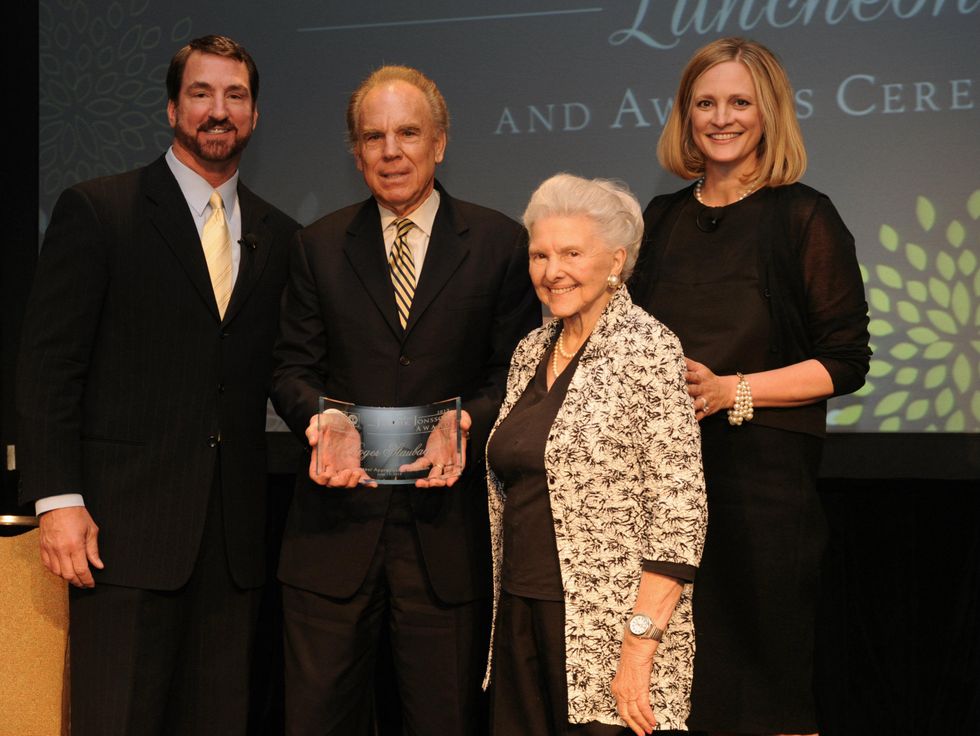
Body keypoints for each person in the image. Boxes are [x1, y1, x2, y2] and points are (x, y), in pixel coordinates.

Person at [16, 35, 300, 735]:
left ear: (255, 116)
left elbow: (285, 368)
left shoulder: (282, 234)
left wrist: (334, 421)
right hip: (120, 539)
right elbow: (50, 366)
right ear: (173, 108)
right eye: (201, 93)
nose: (218, 110)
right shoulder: (100, 210)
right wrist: (58, 500)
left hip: (233, 548)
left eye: (235, 96)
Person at [270, 65, 541, 736]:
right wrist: (320, 417)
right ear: (356, 152)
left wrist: (466, 420)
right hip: (333, 536)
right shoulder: (316, 246)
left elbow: (515, 373)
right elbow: (291, 370)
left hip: (446, 540)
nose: (391, 152)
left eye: (408, 133)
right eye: (374, 137)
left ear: (440, 143)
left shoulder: (501, 243)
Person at [628, 38, 872, 735]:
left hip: (764, 496)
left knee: (765, 693)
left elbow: (845, 361)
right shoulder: (659, 218)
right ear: (686, 114)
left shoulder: (804, 216)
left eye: (740, 102)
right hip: (663, 491)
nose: (721, 118)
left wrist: (732, 389)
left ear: (769, 112)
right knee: (672, 692)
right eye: (705, 103)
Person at [483, 173, 707, 736]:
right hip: (519, 612)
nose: (551, 271)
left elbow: (680, 513)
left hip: (607, 633)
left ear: (616, 260)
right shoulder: (531, 350)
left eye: (571, 253)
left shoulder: (648, 347)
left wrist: (639, 646)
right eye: (540, 255)